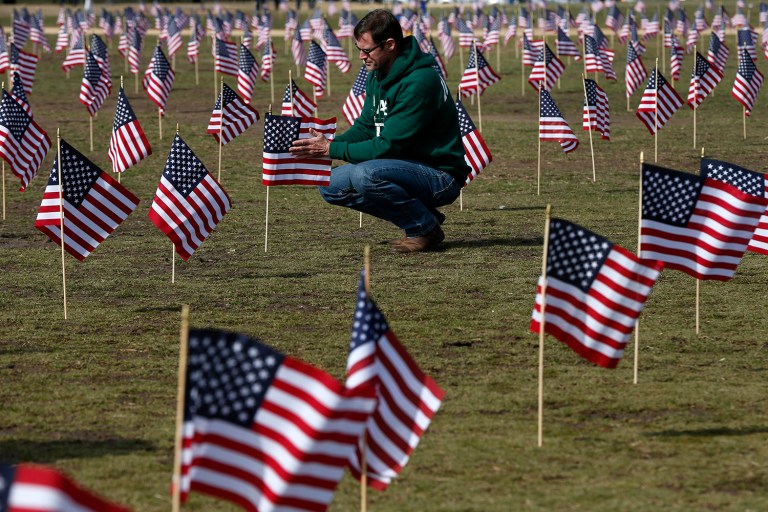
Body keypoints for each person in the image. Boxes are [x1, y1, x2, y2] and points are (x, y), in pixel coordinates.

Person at [289, 9, 471, 253]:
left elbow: (387, 145)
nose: (362, 57)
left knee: (367, 175)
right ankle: (423, 218)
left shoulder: (420, 82)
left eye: (367, 50)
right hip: (401, 166)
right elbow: (366, 127)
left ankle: (423, 229)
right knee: (329, 184)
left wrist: (332, 148)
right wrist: (327, 145)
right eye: (358, 50)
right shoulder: (378, 72)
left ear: (390, 45)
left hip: (439, 175)